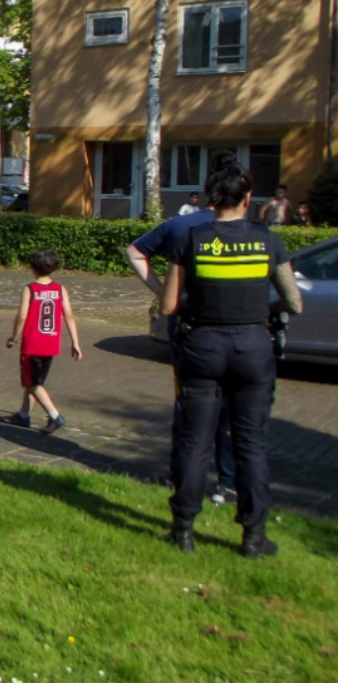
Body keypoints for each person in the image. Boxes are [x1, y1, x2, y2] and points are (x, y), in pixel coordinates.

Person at [161, 163, 303, 557]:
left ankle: (184, 529)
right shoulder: (267, 240)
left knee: (194, 442)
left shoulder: (192, 238)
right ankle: (254, 536)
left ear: (210, 199)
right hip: (253, 349)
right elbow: (295, 302)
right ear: (247, 198)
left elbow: (170, 304)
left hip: (202, 348)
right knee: (251, 444)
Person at [126, 196, 237, 506]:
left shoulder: (179, 226)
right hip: (235, 330)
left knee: (188, 402)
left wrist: (164, 292)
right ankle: (227, 482)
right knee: (229, 407)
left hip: (188, 326)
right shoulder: (250, 232)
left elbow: (134, 252)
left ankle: (182, 475)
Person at [3, 249, 83, 434]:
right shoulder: (60, 289)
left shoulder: (30, 289)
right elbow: (69, 315)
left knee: (33, 383)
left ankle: (55, 416)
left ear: (33, 268)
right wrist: (75, 342)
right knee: (35, 379)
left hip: (32, 344)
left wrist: (13, 338)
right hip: (51, 343)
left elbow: (22, 317)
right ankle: (23, 415)